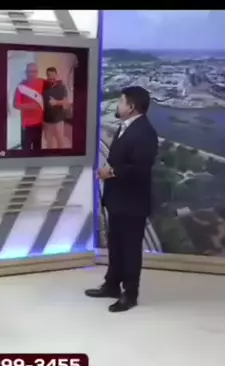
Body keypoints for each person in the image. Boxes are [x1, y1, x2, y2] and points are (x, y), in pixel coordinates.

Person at [85, 86, 158, 312]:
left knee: (130, 250)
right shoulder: (125, 127)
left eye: (121, 101)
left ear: (131, 106)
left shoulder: (145, 132)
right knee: (116, 246)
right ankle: (112, 285)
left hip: (132, 203)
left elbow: (140, 168)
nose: (117, 105)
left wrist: (111, 172)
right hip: (117, 200)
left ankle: (130, 294)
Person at [13, 62, 45, 151]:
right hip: (26, 125)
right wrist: (31, 106)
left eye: (34, 71)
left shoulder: (42, 83)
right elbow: (15, 104)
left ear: (37, 72)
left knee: (37, 149)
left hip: (40, 123)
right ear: (26, 72)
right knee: (26, 150)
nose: (31, 74)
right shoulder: (21, 86)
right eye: (29, 71)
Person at [42, 67, 71, 149]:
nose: (52, 80)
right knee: (49, 143)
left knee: (60, 141)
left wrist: (56, 102)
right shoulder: (44, 86)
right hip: (47, 121)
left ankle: (61, 155)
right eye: (49, 78)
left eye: (53, 78)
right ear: (47, 76)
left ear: (56, 75)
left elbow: (66, 102)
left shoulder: (62, 87)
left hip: (58, 121)